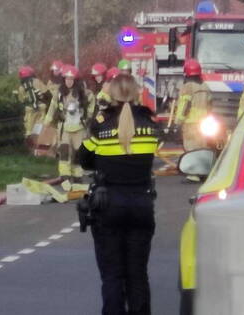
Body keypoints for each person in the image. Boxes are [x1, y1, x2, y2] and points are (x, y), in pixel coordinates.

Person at [79, 75, 159, 315]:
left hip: (108, 205)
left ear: (111, 94)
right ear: (136, 93)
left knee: (112, 275)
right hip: (141, 205)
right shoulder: (149, 122)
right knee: (137, 274)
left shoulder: (101, 123)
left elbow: (84, 160)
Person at [46, 65, 90, 183]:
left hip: (79, 128)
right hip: (64, 127)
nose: (68, 82)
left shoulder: (82, 92)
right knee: (64, 151)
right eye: (66, 79)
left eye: (71, 79)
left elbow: (92, 104)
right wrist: (47, 121)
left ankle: (77, 175)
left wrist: (87, 118)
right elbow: (52, 107)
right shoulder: (59, 93)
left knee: (77, 152)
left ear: (75, 80)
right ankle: (65, 175)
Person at [16, 65, 41, 140]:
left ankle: (33, 146)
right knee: (38, 131)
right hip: (39, 110)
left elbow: (21, 100)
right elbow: (45, 93)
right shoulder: (37, 82)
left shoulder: (21, 88)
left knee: (29, 132)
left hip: (29, 112)